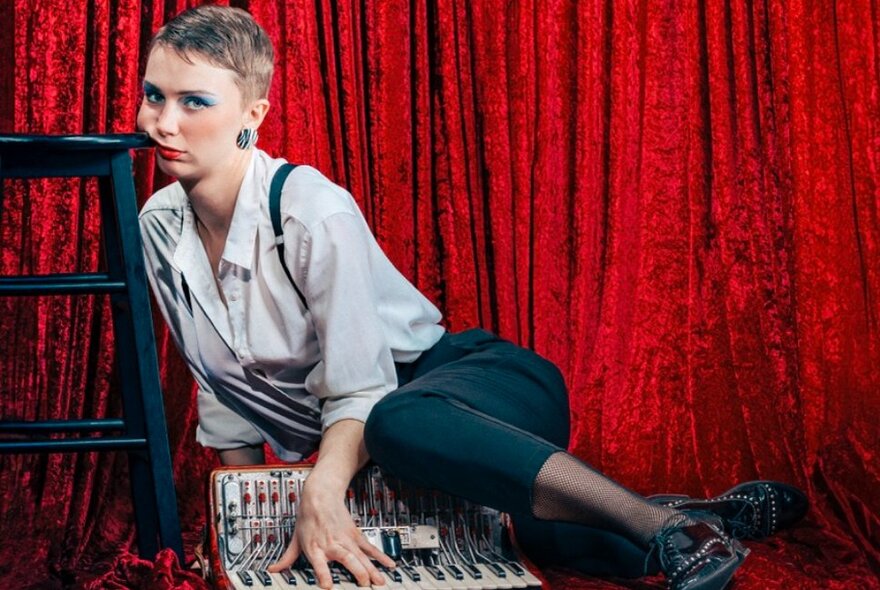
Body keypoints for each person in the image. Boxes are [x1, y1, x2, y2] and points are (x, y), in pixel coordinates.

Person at [136, 6, 807, 590]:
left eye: (194, 102)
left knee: (399, 423)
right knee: (539, 539)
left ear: (253, 115)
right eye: (153, 95)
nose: (163, 122)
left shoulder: (311, 208)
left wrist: (322, 486)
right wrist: (239, 515)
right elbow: (219, 377)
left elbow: (363, 389)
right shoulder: (159, 225)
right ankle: (705, 519)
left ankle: (672, 534)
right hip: (388, 439)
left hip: (474, 387)